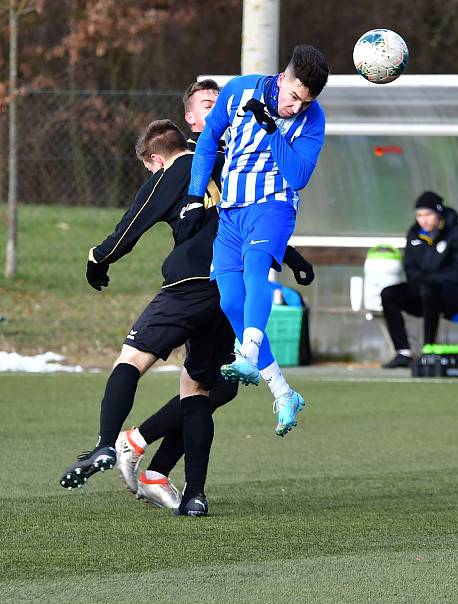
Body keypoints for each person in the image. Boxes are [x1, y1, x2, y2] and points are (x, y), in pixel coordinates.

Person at [113, 80, 314, 511]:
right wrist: (103, 256)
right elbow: (140, 218)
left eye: (221, 102)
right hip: (193, 289)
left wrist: (290, 253)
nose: (222, 109)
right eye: (209, 105)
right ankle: (142, 448)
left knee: (214, 388)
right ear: (191, 118)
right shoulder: (186, 162)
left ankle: (158, 466)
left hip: (225, 288)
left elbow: (253, 211)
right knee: (201, 385)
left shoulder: (234, 154)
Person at [59, 120, 233, 517]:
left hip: (188, 283)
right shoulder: (227, 163)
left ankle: (108, 442)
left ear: (156, 158)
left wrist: (98, 259)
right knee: (200, 390)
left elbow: (131, 226)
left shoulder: (173, 171)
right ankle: (194, 495)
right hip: (229, 285)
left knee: (131, 360)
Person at [186, 44, 329, 436]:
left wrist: (273, 130)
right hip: (231, 211)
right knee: (231, 299)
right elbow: (209, 136)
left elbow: (298, 176)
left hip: (273, 207)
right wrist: (196, 196)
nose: (297, 107)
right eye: (294, 98)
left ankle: (247, 352)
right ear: (283, 80)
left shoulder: (313, 120)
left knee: (255, 272)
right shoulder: (240, 90)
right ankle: (283, 391)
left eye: (306, 102)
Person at [381, 191, 458, 368]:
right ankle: (403, 352)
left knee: (429, 289)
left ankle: (428, 350)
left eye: (427, 215)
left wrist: (430, 280)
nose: (423, 220)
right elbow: (410, 266)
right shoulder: (414, 235)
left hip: (454, 295)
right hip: (423, 292)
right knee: (389, 294)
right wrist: (420, 281)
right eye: (419, 215)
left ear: (438, 214)